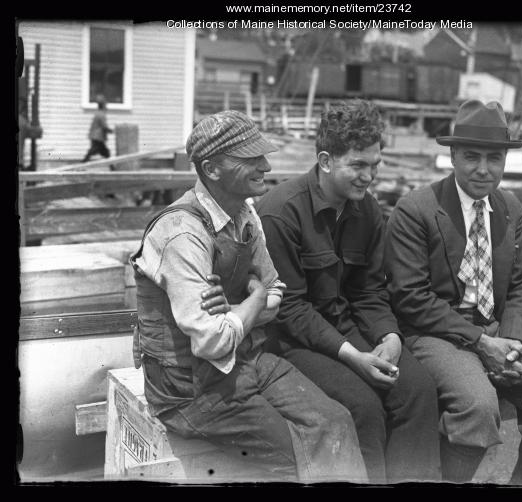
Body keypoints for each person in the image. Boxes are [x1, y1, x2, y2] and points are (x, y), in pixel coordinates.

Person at [129, 110, 368, 483]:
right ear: (212, 169)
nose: (266, 165)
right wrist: (252, 300)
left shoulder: (245, 214)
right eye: (251, 158)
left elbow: (277, 294)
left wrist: (238, 312)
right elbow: (213, 340)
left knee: (336, 421)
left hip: (246, 360)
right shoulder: (181, 235)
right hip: (190, 392)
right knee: (299, 454)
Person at [384, 99, 522, 485]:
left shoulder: (509, 206)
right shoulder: (416, 209)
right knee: (478, 408)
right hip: (437, 331)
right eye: (471, 157)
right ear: (452, 155)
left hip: (498, 329)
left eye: (494, 158)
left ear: (505, 160)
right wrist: (481, 343)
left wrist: (511, 339)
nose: (483, 169)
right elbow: (410, 297)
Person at [254, 100, 441, 484]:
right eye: (358, 165)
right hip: (294, 342)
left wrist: (389, 336)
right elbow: (290, 310)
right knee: (364, 408)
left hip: (349, 330)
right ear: (325, 161)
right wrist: (354, 356)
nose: (369, 176)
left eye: (375, 165)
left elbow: (371, 290)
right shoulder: (280, 212)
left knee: (418, 391)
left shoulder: (368, 211)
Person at [82, 94, 113, 162]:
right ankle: (82, 163)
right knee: (96, 151)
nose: (106, 107)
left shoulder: (98, 113)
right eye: (105, 105)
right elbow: (104, 126)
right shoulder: (101, 114)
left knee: (104, 152)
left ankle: (112, 167)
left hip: (95, 136)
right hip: (98, 137)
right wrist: (111, 131)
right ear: (103, 105)